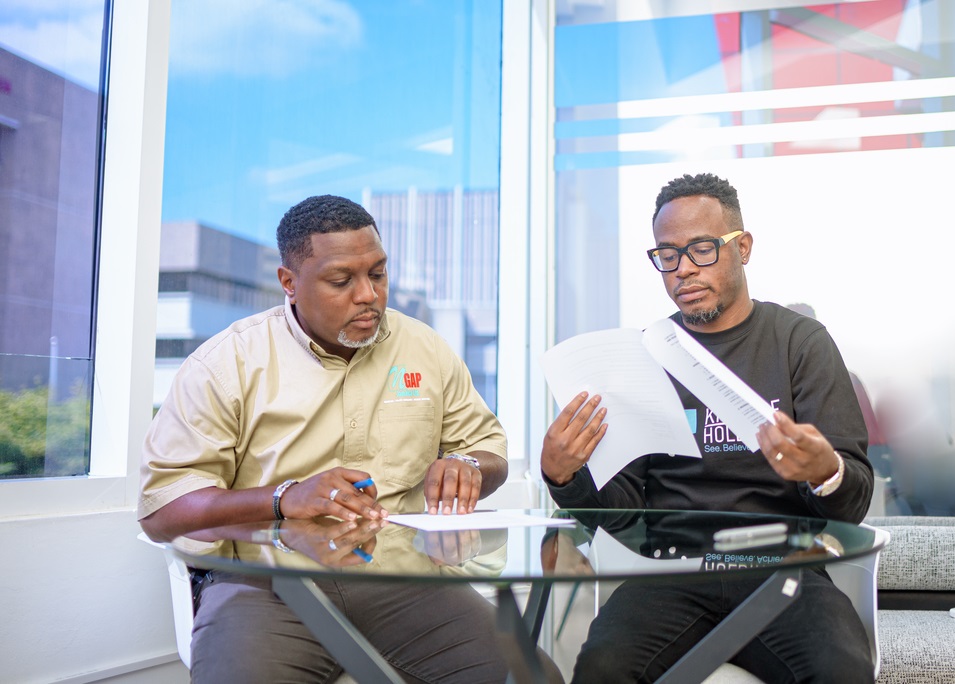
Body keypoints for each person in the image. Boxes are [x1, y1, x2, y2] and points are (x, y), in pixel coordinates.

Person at [138, 195, 524, 683]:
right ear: (289, 284)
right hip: (265, 587)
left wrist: (469, 464)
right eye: (342, 281)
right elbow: (162, 511)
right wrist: (283, 498)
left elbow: (490, 449)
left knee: (529, 676)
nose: (369, 295)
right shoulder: (227, 363)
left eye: (378, 274)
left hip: (405, 581)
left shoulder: (424, 346)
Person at [541, 173, 875, 683]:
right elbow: (625, 513)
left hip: (784, 568)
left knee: (840, 671)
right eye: (667, 255)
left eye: (701, 249)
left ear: (742, 247)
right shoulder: (646, 355)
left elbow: (851, 497)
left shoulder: (799, 343)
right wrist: (567, 478)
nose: (683, 271)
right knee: (601, 670)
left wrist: (825, 470)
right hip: (673, 572)